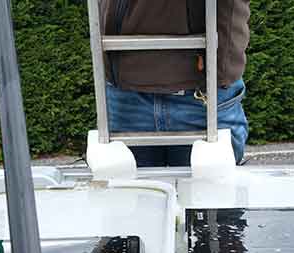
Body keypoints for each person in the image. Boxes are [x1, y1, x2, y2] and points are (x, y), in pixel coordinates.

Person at [100, 1, 251, 167]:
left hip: (205, 89)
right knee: (133, 190)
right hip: (128, 90)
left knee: (210, 190)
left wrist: (219, 69)